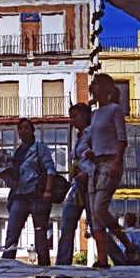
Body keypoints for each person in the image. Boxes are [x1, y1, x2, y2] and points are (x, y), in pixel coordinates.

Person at [84, 73, 139, 268]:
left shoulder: (115, 110)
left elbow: (122, 139)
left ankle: (128, 244)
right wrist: (92, 151)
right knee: (95, 216)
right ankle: (101, 260)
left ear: (106, 88)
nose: (93, 88)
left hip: (110, 163)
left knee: (100, 208)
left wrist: (117, 161)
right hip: (95, 165)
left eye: (96, 84)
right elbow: (96, 139)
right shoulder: (95, 114)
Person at [1, 118, 56, 266]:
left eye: (26, 128)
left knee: (40, 237)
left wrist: (48, 190)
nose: (23, 131)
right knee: (11, 236)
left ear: (32, 131)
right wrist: (4, 174)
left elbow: (50, 169)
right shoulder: (17, 153)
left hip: (37, 196)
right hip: (19, 197)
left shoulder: (39, 147)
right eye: (20, 128)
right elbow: (15, 179)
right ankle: (5, 272)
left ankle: (44, 275)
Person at [55, 103, 95, 266]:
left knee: (96, 226)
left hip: (90, 184)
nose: (72, 120)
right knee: (66, 226)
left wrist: (87, 172)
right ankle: (62, 270)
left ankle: (121, 264)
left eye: (75, 116)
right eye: (70, 117)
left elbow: (98, 156)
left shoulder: (93, 133)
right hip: (76, 185)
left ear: (85, 116)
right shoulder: (79, 137)